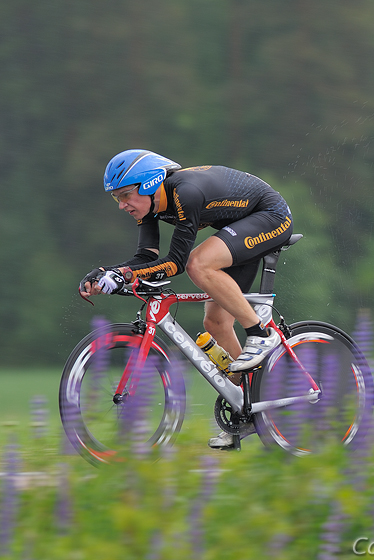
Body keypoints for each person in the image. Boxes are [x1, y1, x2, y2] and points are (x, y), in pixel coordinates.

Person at [79, 149, 294, 449]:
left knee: (198, 263)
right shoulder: (151, 206)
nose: (121, 205)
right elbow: (146, 258)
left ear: (150, 184)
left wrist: (126, 275)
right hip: (242, 225)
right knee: (216, 321)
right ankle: (250, 404)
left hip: (271, 216)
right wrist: (109, 272)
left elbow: (177, 262)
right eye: (116, 198)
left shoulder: (185, 193)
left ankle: (261, 334)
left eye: (126, 195)